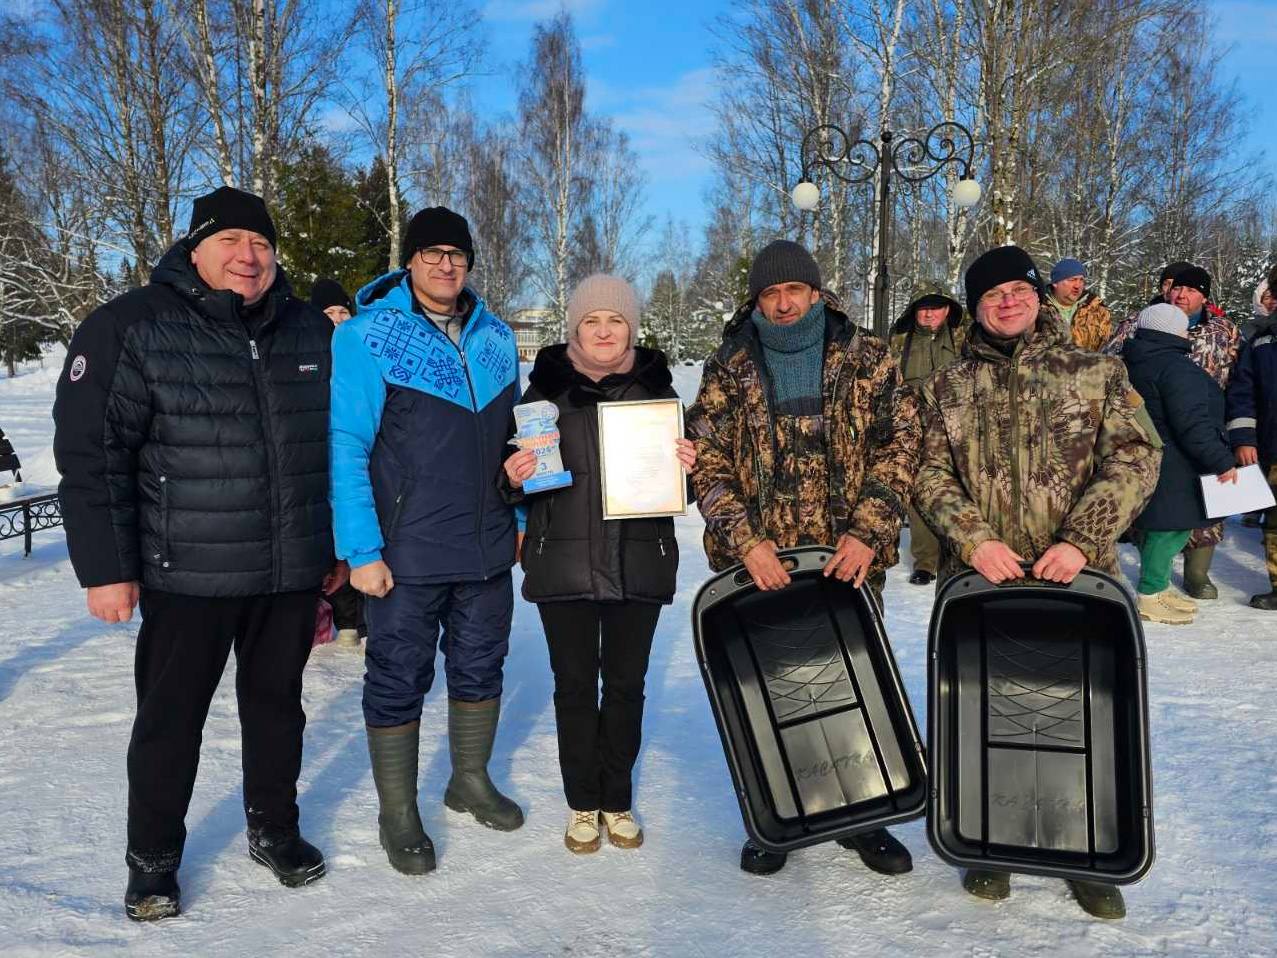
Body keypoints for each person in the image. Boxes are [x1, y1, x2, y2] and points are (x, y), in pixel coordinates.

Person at [52, 186, 343, 921]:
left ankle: (274, 828)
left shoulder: (310, 330)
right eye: (230, 241)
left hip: (287, 568)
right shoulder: (131, 326)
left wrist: (337, 545)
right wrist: (106, 568)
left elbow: (341, 447)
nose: (249, 256)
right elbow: (93, 455)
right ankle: (152, 860)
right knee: (170, 721)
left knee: (277, 711)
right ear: (195, 248)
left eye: (262, 243)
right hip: (187, 571)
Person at [914, 244, 1161, 919]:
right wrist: (973, 538)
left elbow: (1137, 458)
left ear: (1037, 295)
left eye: (1018, 290)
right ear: (974, 307)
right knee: (986, 710)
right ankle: (990, 842)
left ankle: (1085, 851)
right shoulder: (945, 387)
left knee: (1079, 713)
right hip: (982, 583)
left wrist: (1082, 539)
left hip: (1077, 582)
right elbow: (927, 473)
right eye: (991, 294)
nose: (1007, 302)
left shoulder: (1097, 372)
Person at [687, 239, 921, 879]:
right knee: (770, 690)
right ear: (757, 301)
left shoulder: (867, 355)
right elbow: (706, 460)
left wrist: (868, 531)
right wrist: (746, 541)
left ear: (816, 293)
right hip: (763, 564)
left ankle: (864, 816)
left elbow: (903, 443)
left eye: (794, 290)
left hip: (848, 560)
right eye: (770, 293)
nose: (784, 303)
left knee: (853, 682)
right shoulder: (730, 364)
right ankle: (775, 815)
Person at [330, 206, 522, 877]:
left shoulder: (497, 339)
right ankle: (398, 812)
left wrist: (520, 522)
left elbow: (517, 441)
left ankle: (469, 779)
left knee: (482, 666)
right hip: (405, 551)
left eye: (457, 254)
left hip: (486, 547)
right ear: (409, 261)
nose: (446, 265)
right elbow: (347, 444)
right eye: (432, 253)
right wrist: (362, 552)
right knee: (397, 678)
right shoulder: (367, 336)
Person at [501, 274, 696, 854]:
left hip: (639, 562)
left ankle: (618, 798)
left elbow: (679, 492)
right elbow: (510, 483)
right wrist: (512, 476)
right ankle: (583, 802)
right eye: (592, 321)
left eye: (615, 321)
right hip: (562, 564)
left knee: (627, 686)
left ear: (631, 329)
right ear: (574, 329)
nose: (604, 332)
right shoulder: (540, 398)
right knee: (575, 687)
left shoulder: (658, 396)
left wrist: (688, 467)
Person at [1104, 265, 1240, 598]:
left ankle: (1195, 574)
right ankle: (1154, 586)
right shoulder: (1140, 326)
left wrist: (1236, 432)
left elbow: (1240, 381)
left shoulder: (1223, 330)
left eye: (1191, 290)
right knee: (1166, 518)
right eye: (1177, 288)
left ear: (1204, 296)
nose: (1182, 294)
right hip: (1171, 436)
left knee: (1199, 515)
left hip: (1202, 431)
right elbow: (1109, 368)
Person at [888, 281, 968, 585]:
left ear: (948, 309)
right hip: (916, 429)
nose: (929, 313)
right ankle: (926, 561)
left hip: (960, 428)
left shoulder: (966, 337)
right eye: (923, 307)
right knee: (920, 493)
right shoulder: (898, 341)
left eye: (936, 307)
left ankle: (965, 553)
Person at [310, 278, 365, 650]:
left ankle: (353, 619)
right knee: (323, 539)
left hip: (351, 454)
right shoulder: (305, 353)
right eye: (329, 312)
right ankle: (327, 612)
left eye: (343, 311)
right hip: (316, 457)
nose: (337, 319)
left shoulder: (359, 353)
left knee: (351, 534)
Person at [1226, 263, 1277, 610]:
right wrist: (1244, 438)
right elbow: (1243, 392)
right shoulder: (1261, 341)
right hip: (1274, 447)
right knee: (1274, 523)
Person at [1045, 257, 1111, 350]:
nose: (1077, 285)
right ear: (1055, 283)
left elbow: (1107, 346)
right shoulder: (1037, 307)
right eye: (1072, 280)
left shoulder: (1098, 310)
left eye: (1081, 280)